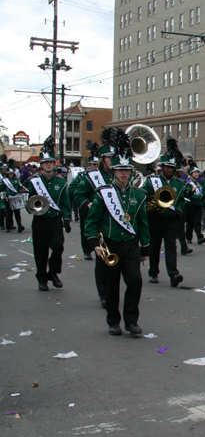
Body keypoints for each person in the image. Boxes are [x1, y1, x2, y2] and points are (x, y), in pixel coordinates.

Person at [85, 131, 151, 337]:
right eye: (120, 170)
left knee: (135, 281)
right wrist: (93, 243)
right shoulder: (103, 193)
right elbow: (92, 221)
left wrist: (145, 247)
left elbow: (142, 223)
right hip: (111, 245)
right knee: (111, 286)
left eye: (127, 170)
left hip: (130, 245)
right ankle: (113, 321)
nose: (123, 174)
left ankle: (132, 321)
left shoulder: (139, 195)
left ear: (131, 172)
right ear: (114, 171)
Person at [67, 130, 116, 306]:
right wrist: (88, 204)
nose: (112, 161)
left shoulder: (123, 175)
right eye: (109, 158)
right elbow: (78, 194)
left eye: (114, 157)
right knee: (103, 260)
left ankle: (113, 292)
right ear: (103, 159)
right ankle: (103, 294)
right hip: (99, 222)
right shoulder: (91, 176)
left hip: (117, 224)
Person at [26, 136, 72, 291]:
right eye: (46, 162)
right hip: (40, 220)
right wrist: (31, 208)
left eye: (51, 162)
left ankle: (53, 273)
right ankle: (42, 279)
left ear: (54, 164)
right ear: (41, 165)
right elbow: (30, 201)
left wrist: (66, 218)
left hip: (55, 220)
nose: (48, 165)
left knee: (58, 247)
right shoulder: (34, 181)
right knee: (40, 251)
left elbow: (66, 202)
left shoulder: (62, 183)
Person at [142, 138, 187, 287]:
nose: (169, 170)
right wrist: (151, 207)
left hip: (171, 219)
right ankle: (153, 272)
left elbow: (181, 200)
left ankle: (173, 274)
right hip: (156, 218)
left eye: (171, 168)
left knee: (171, 246)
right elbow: (144, 196)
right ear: (162, 167)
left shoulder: (179, 184)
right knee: (155, 246)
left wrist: (178, 211)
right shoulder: (151, 181)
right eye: (167, 167)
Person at [183, 159, 205, 245]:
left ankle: (199, 237)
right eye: (194, 172)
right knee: (190, 222)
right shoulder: (188, 183)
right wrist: (200, 196)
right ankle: (188, 237)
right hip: (190, 205)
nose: (197, 174)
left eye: (197, 172)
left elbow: (201, 194)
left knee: (197, 221)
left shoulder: (199, 184)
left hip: (198, 205)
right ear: (190, 174)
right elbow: (190, 195)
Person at [1, 160, 28, 233]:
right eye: (9, 174)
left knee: (17, 213)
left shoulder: (17, 180)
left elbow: (19, 188)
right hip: (8, 198)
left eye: (12, 174)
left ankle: (20, 226)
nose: (11, 175)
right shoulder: (5, 181)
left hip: (15, 197)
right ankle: (8, 226)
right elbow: (2, 188)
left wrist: (22, 190)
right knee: (9, 213)